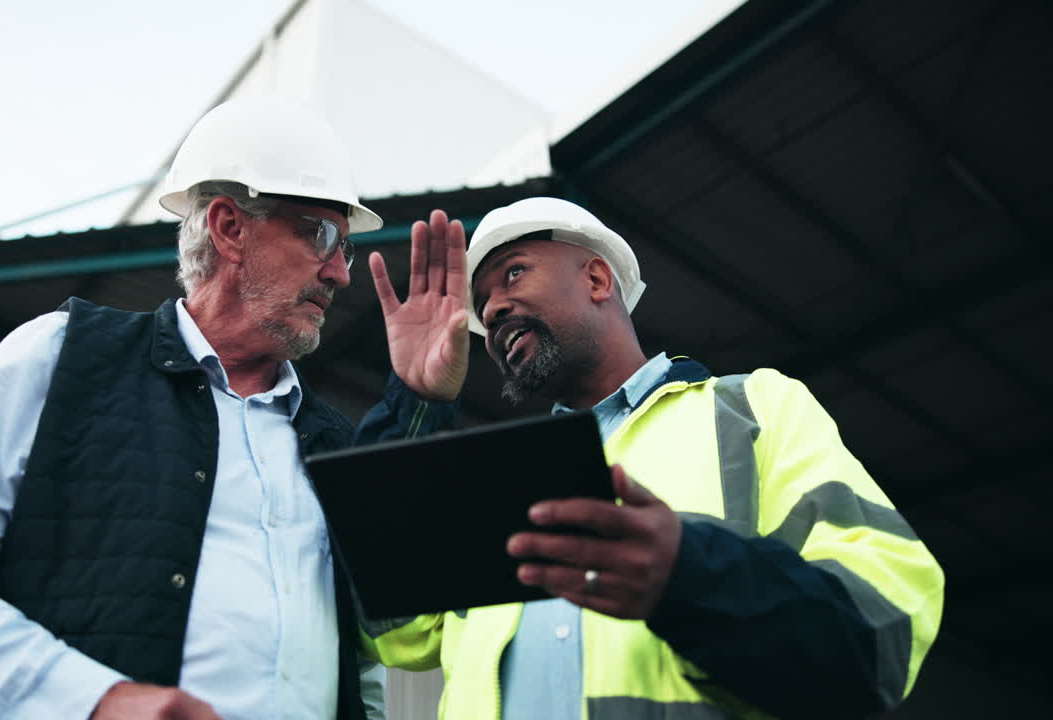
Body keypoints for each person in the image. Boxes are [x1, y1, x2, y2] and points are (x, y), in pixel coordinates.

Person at [0, 96, 470, 720]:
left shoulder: (332, 442)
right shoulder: (63, 358)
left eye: (345, 249)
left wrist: (417, 397)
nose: (339, 272)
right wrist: (94, 703)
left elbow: (370, 662)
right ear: (229, 228)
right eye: (320, 235)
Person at [362, 197, 945, 719]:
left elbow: (882, 621)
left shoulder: (752, 408)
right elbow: (394, 625)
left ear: (596, 278)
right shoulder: (493, 484)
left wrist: (691, 576)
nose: (491, 311)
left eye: (514, 274)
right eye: (484, 303)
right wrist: (416, 399)